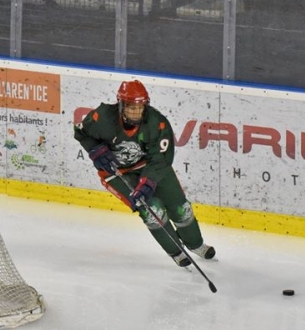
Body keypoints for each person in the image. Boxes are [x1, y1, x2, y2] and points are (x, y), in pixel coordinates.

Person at [73, 80, 215, 267]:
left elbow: (161, 159)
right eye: (131, 108)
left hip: (151, 166)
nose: (136, 113)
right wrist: (94, 149)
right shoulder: (103, 117)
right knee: (152, 210)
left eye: (140, 108)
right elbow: (81, 132)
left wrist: (148, 182)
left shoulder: (157, 123)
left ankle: (195, 244)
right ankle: (175, 251)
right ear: (120, 105)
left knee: (181, 208)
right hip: (117, 173)